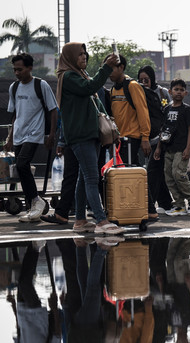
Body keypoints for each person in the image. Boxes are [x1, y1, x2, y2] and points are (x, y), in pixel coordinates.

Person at [57, 42, 124, 234]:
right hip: (81, 135)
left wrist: (112, 127)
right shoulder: (69, 76)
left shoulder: (80, 75)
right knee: (92, 177)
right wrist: (107, 68)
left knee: (83, 178)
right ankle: (102, 222)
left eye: (85, 54)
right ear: (70, 57)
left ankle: (80, 220)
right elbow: (90, 88)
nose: (84, 56)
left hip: (90, 133)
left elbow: (96, 101)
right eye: (79, 54)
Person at [5, 53, 58, 223]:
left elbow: (53, 110)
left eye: (20, 69)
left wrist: (51, 134)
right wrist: (10, 137)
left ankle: (36, 200)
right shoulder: (14, 87)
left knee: (22, 164)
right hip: (19, 133)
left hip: (34, 133)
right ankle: (32, 208)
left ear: (29, 68)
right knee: (21, 168)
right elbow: (15, 115)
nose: (17, 73)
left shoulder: (40, 85)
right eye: (14, 70)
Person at [108, 55, 158, 221]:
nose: (109, 73)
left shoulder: (133, 86)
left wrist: (145, 137)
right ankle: (149, 210)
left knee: (135, 177)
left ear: (121, 67)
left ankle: (149, 210)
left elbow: (143, 113)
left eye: (112, 68)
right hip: (121, 140)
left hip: (133, 140)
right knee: (134, 176)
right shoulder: (114, 90)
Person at [153, 79, 190, 216]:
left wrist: (188, 148)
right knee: (169, 177)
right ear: (170, 92)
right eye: (176, 89)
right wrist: (158, 147)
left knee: (178, 174)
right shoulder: (167, 109)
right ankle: (179, 205)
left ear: (185, 93)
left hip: (182, 148)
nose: (178, 92)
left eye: (181, 90)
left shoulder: (187, 110)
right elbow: (164, 129)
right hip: (168, 148)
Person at [137, 65, 173, 214]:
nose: (144, 82)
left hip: (161, 138)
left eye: (146, 79)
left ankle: (149, 204)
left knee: (152, 171)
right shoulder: (138, 93)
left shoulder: (162, 92)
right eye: (141, 80)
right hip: (146, 138)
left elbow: (170, 113)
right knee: (157, 172)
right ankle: (166, 203)